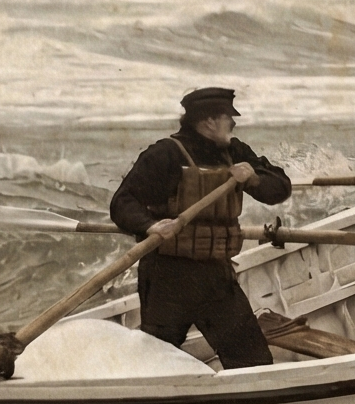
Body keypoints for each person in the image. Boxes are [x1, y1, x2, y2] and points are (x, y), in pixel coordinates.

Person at [108, 86, 293, 370]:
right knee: (155, 365)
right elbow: (122, 203)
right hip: (168, 278)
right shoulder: (164, 155)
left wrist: (254, 178)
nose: (233, 123)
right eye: (227, 118)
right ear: (208, 122)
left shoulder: (235, 152)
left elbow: (281, 187)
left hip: (216, 277)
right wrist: (151, 226)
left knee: (252, 362)